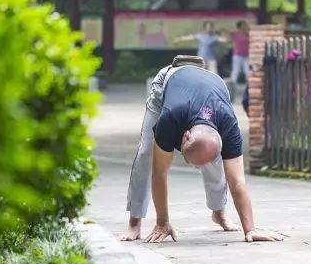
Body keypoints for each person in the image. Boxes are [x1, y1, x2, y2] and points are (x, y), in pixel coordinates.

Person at [120, 60, 281, 244]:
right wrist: (162, 221)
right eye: (192, 163)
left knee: (213, 161)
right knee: (146, 153)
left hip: (213, 84)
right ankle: (134, 221)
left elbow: (237, 181)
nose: (197, 168)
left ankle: (219, 212)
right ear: (184, 135)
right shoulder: (169, 118)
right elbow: (159, 174)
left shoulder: (229, 127)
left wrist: (250, 229)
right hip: (168, 82)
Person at [229, 21, 250, 89]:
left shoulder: (248, 34)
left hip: (246, 56)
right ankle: (232, 87)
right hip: (238, 56)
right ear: (240, 27)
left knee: (247, 71)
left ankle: (249, 86)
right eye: (244, 25)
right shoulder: (235, 34)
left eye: (245, 25)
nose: (245, 27)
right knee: (236, 71)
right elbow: (227, 31)